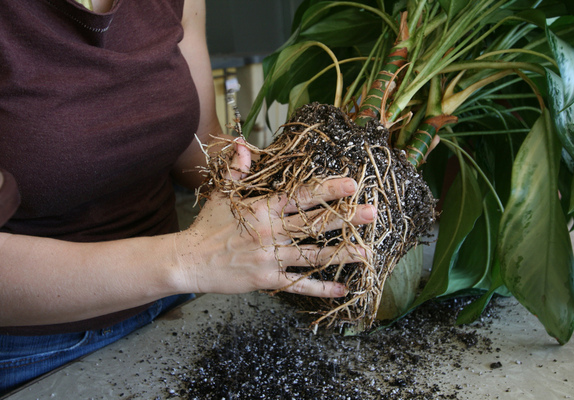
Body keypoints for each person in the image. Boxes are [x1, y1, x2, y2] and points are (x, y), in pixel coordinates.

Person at [0, 0, 376, 394]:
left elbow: (198, 148)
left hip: (172, 308)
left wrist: (291, 186)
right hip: (31, 352)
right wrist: (188, 258)